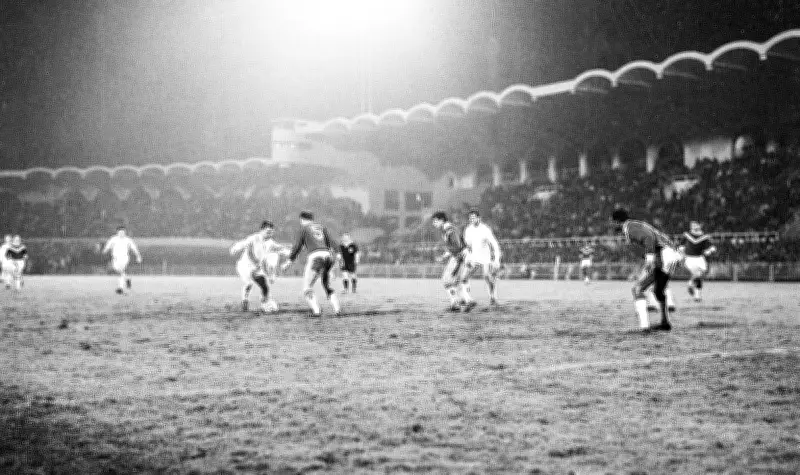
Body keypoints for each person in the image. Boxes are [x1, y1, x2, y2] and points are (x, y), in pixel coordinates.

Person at [612, 208, 683, 332]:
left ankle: (644, 326)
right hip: (671, 254)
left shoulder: (630, 227)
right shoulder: (635, 225)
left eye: (612, 222)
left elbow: (648, 237)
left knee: (638, 289)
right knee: (658, 291)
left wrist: (649, 259)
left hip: (665, 255)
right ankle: (664, 322)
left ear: (617, 221)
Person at [281, 211, 341, 316]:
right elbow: (332, 241)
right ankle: (337, 309)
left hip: (316, 257)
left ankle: (316, 311)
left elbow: (297, 247)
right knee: (326, 285)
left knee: (307, 288)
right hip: (328, 257)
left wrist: (288, 262)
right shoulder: (321, 227)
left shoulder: (304, 229)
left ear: (302, 219)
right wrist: (338, 254)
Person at [230, 221, 288, 312]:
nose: (270, 234)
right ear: (262, 230)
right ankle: (247, 301)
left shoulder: (270, 242)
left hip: (256, 267)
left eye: (271, 232)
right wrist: (235, 248)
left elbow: (280, 248)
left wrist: (291, 253)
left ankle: (264, 302)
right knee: (249, 283)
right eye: (268, 231)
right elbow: (243, 243)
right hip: (245, 266)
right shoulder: (254, 238)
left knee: (263, 285)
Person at [431, 211, 476, 312]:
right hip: (460, 256)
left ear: (441, 220)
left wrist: (456, 257)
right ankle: (465, 301)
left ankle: (458, 303)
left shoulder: (449, 230)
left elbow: (458, 246)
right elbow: (454, 246)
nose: (434, 224)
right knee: (455, 281)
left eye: (435, 221)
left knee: (447, 280)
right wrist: (444, 256)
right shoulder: (447, 229)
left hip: (459, 257)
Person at [462, 210, 501, 304]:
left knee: (487, 276)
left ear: (479, 218)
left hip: (485, 258)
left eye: (473, 217)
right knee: (464, 278)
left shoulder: (485, 229)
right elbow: (468, 246)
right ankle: (468, 299)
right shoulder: (468, 230)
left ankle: (493, 296)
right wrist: (467, 257)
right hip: (474, 257)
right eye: (470, 218)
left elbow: (494, 244)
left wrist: (496, 259)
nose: (471, 219)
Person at [679, 221, 717, 301]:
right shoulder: (686, 235)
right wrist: (681, 254)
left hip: (700, 258)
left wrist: (709, 251)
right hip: (689, 258)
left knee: (701, 275)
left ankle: (694, 289)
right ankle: (694, 290)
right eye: (692, 225)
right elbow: (681, 246)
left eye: (695, 225)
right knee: (697, 274)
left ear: (699, 226)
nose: (694, 226)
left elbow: (713, 247)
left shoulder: (704, 236)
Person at [102, 226, 142, 294]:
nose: (122, 234)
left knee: (120, 271)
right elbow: (108, 246)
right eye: (120, 232)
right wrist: (105, 250)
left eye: (123, 232)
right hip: (115, 259)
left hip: (124, 258)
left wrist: (138, 256)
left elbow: (134, 248)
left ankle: (120, 288)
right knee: (119, 271)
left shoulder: (128, 240)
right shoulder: (113, 239)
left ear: (125, 232)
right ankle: (127, 280)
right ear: (117, 232)